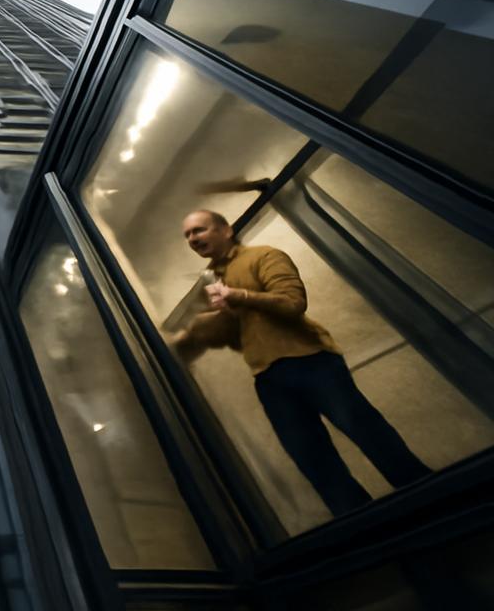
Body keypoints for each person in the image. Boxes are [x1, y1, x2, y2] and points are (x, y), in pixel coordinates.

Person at [173, 210, 430, 516]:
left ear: (226, 230)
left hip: (311, 360)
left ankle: (433, 500)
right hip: (266, 377)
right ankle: (368, 531)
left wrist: (239, 295)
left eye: (198, 230)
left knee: (367, 432)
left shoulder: (263, 255)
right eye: (188, 235)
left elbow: (293, 303)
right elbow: (234, 332)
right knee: (313, 460)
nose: (193, 239)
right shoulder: (210, 281)